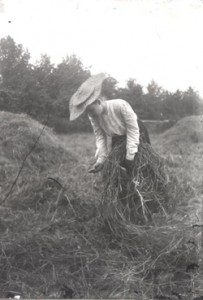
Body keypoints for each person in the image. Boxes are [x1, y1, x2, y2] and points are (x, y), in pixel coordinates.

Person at [69, 73, 150, 175]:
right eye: (88, 112)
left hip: (137, 132)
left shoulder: (120, 105)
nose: (90, 114)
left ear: (98, 101)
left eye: (91, 110)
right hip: (118, 138)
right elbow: (100, 136)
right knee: (118, 166)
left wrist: (130, 155)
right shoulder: (93, 116)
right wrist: (101, 160)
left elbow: (133, 130)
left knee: (140, 162)